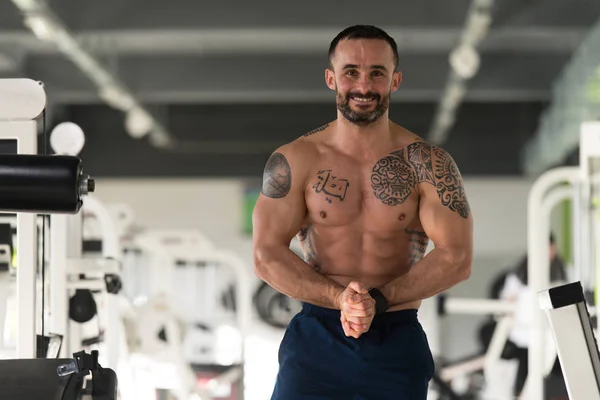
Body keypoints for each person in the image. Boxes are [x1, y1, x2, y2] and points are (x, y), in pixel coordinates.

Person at [252, 24, 474, 400]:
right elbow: (266, 253)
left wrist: (379, 300)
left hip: (395, 333)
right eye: (351, 72)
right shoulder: (296, 159)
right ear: (331, 78)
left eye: (377, 73)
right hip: (317, 338)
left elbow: (457, 257)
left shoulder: (428, 163)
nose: (364, 85)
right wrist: (341, 299)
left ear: (395, 80)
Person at [499, 234, 568, 397]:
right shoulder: (520, 274)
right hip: (526, 333)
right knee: (525, 372)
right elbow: (507, 298)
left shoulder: (561, 271)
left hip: (551, 332)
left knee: (554, 372)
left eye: (551, 248)